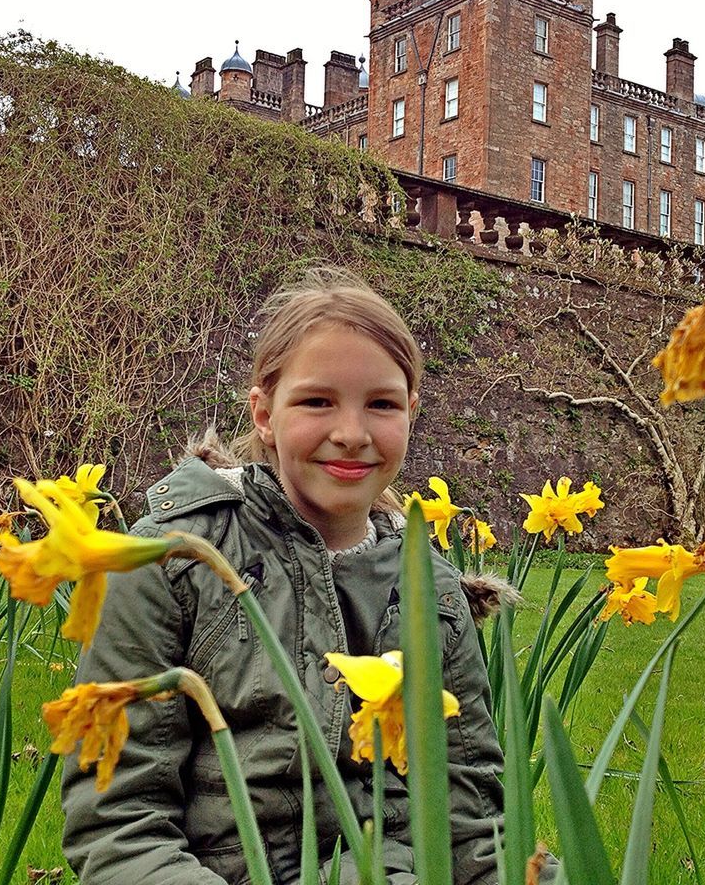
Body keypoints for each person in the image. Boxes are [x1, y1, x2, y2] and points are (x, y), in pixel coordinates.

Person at [61, 268, 507, 884]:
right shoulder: (173, 562)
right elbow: (120, 827)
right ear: (264, 413)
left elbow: (472, 825)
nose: (350, 434)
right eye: (317, 401)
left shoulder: (432, 592)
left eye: (381, 404)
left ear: (411, 414)